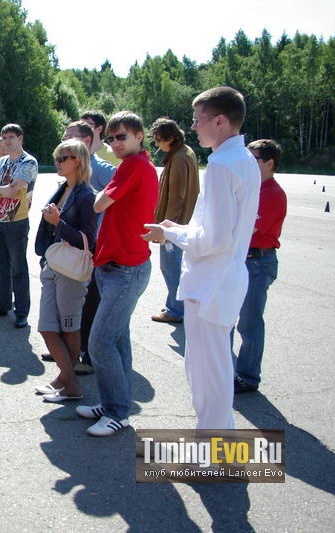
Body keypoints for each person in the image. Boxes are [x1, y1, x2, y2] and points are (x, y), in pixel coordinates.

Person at [142, 87, 260, 429]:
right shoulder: (243, 159)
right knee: (213, 368)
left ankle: (215, 442)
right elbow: (221, 231)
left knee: (208, 373)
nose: (193, 126)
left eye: (198, 119)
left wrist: (170, 233)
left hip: (211, 281)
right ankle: (217, 437)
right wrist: (177, 228)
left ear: (220, 121)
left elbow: (213, 239)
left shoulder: (223, 164)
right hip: (223, 278)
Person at [76, 111, 158, 437]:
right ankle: (114, 404)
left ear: (139, 136)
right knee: (118, 341)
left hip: (125, 269)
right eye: (111, 138)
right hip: (116, 266)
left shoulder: (134, 166)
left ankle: (117, 412)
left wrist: (96, 192)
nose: (116, 143)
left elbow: (98, 204)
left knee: (100, 343)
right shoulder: (133, 165)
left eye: (122, 136)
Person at [33, 140, 97, 402]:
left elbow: (89, 241)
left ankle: (69, 384)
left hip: (71, 269)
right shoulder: (62, 189)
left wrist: (58, 223)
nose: (57, 163)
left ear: (78, 160)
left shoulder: (86, 196)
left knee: (70, 329)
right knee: (47, 327)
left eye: (63, 158)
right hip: (53, 262)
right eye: (56, 158)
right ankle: (67, 380)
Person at [61, 120, 117, 375]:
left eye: (69, 137)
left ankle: (89, 355)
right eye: (64, 136)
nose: (64, 140)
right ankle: (71, 348)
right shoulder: (70, 167)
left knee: (91, 301)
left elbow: (119, 200)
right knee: (73, 299)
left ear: (86, 140)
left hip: (93, 245)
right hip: (73, 244)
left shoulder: (103, 169)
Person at [234, 139, 287, 393]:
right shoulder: (252, 188)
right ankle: (230, 371)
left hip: (257, 262)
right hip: (244, 259)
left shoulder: (273, 193)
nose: (247, 164)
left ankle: (248, 376)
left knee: (249, 322)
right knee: (228, 318)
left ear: (269, 163)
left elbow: (247, 228)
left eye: (252, 159)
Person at [0, 124, 38, 328]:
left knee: (18, 268)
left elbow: (14, 190)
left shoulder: (28, 161)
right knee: (0, 265)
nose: (7, 141)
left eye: (11, 137)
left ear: (20, 138)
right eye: (4, 138)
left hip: (17, 221)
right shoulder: (0, 162)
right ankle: (1, 304)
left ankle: (22, 311)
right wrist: (3, 189)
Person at [149, 117, 200, 323]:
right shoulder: (184, 152)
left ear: (170, 138)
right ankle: (177, 305)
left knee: (171, 268)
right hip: (183, 223)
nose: (156, 144)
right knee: (176, 267)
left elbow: (177, 197)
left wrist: (166, 229)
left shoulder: (179, 158)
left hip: (176, 225)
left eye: (158, 139)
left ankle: (176, 310)